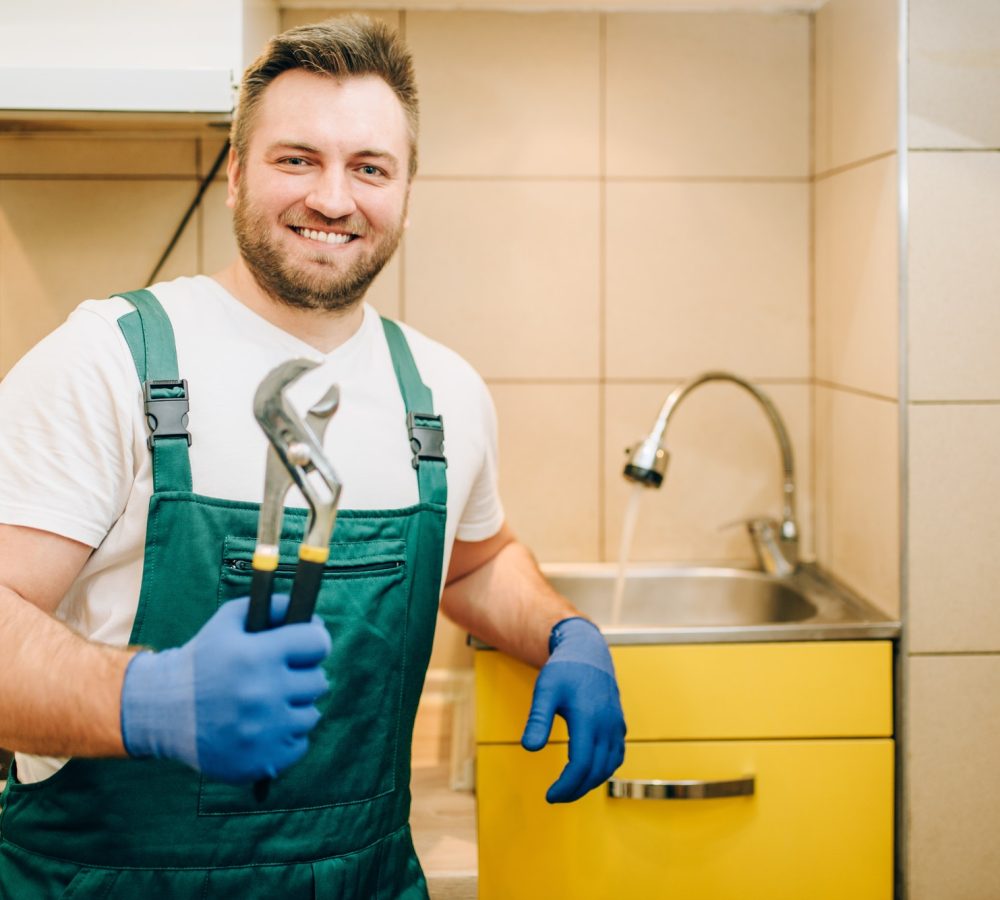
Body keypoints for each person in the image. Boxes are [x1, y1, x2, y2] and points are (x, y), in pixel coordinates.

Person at [0, 15, 626, 898]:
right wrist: (151, 701)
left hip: (364, 878)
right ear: (234, 175)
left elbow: (477, 563)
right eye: (298, 159)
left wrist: (567, 633)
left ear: (406, 190)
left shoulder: (441, 395)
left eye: (369, 168)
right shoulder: (109, 361)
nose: (334, 199)